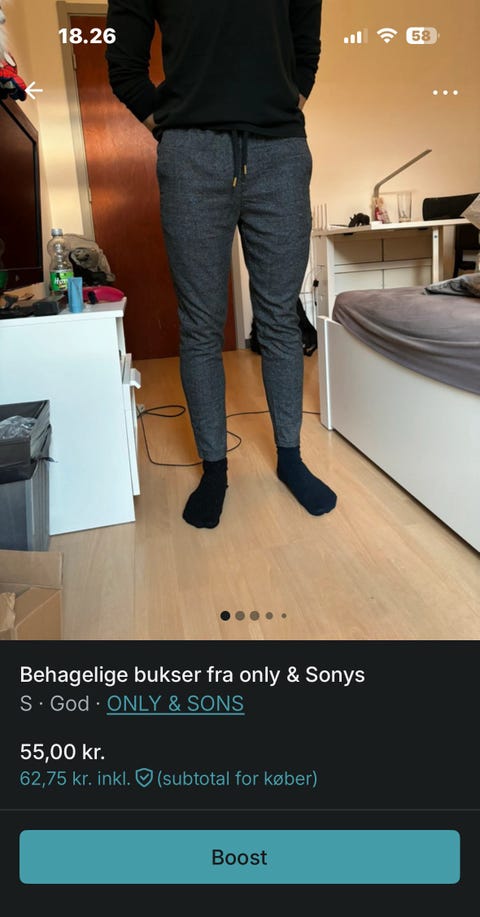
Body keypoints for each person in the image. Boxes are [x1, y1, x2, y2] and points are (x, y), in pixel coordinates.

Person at [106, 0, 337, 528]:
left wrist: (281, 108)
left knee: (280, 316)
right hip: (192, 156)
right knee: (201, 325)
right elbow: (123, 63)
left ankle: (291, 458)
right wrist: (174, 128)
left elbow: (306, 48)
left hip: (280, 152)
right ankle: (215, 468)